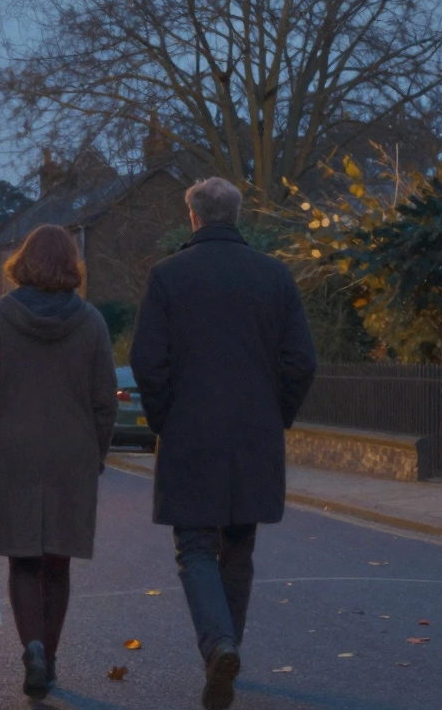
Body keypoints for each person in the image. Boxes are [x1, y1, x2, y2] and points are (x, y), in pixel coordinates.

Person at [130, 177, 317, 710]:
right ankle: (227, 649)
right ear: (236, 216)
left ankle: (219, 646)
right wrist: (276, 414)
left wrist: (165, 417)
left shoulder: (167, 276)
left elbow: (148, 360)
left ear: (193, 217)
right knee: (238, 544)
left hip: (190, 432)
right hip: (254, 434)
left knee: (194, 546)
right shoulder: (274, 275)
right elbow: (302, 361)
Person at [0, 224, 118, 700]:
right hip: (72, 455)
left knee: (24, 563)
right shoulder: (90, 322)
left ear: (23, 263)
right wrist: (96, 452)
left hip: (12, 453)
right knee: (57, 564)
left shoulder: (2, 317)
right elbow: (104, 401)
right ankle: (48, 655)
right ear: (72, 265)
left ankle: (33, 650)